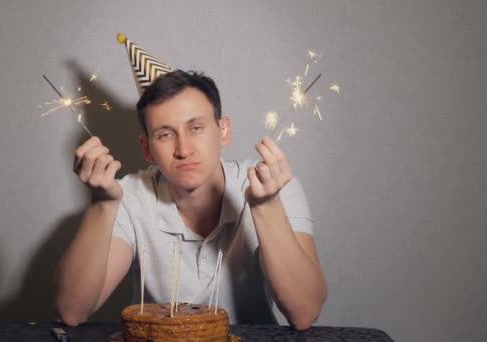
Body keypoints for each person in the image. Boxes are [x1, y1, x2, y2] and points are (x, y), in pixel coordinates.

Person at [55, 70, 327, 330]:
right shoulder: (128, 197)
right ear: (147, 149)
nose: (183, 150)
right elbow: (72, 310)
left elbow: (304, 312)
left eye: (195, 127)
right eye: (165, 134)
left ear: (223, 131)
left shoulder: (273, 186)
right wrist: (102, 206)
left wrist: (266, 206)